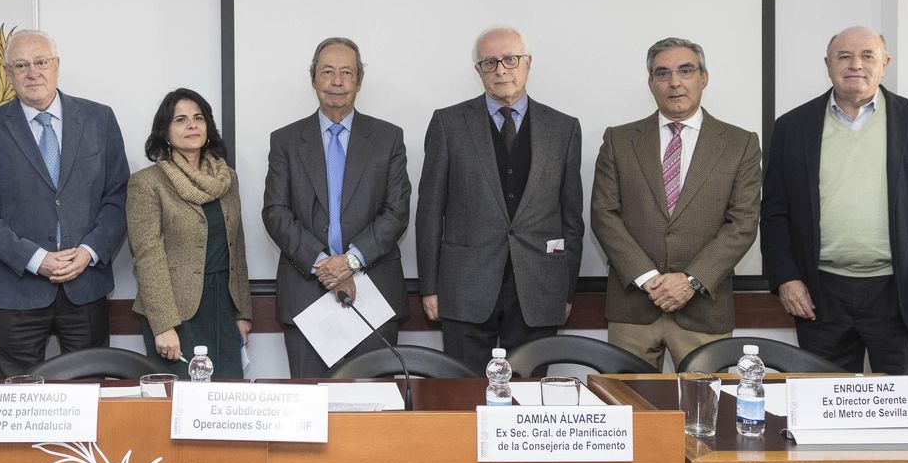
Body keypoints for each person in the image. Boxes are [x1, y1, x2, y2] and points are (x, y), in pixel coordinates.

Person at [762, 26, 908, 380]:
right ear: (828, 65)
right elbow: (775, 214)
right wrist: (786, 278)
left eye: (867, 56)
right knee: (822, 402)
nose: (855, 64)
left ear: (884, 64)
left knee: (907, 406)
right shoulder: (792, 127)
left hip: (902, 294)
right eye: (844, 56)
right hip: (820, 296)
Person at [416, 26, 583, 373]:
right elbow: (430, 212)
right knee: (462, 393)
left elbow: (571, 218)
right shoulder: (448, 124)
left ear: (528, 63)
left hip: (539, 288)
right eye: (489, 62)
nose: (501, 70)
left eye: (510, 59)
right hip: (464, 288)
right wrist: (429, 287)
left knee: (528, 396)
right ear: (478, 70)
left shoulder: (563, 128)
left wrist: (566, 291)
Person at [589, 38, 762, 370]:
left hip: (703, 310)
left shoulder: (740, 143)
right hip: (633, 309)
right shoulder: (619, 140)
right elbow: (604, 214)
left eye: (686, 70)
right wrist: (648, 278)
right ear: (651, 83)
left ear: (704, 77)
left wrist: (689, 281)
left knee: (705, 402)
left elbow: (742, 223)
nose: (674, 82)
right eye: (662, 73)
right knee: (628, 401)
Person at [0, 30, 128, 377]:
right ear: (8, 74)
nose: (32, 72)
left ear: (56, 65)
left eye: (40, 62)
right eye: (21, 65)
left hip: (85, 286)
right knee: (18, 397)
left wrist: (88, 252)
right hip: (17, 291)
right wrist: (36, 259)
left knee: (89, 390)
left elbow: (118, 196)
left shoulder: (99, 119)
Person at [263, 38, 411, 378]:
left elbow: (397, 210)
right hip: (306, 295)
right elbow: (275, 211)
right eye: (327, 72)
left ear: (359, 81)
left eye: (347, 72)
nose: (337, 82)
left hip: (373, 293)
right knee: (311, 403)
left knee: (376, 401)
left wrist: (350, 262)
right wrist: (324, 266)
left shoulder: (388, 138)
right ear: (313, 78)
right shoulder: (285, 141)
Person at [126, 89, 253, 379]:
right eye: (180, 120)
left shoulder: (227, 178)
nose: (192, 125)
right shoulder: (147, 183)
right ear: (165, 132)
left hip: (224, 307)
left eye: (198, 118)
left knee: (227, 397)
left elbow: (237, 246)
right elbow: (147, 257)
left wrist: (243, 312)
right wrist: (163, 324)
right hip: (176, 313)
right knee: (181, 399)